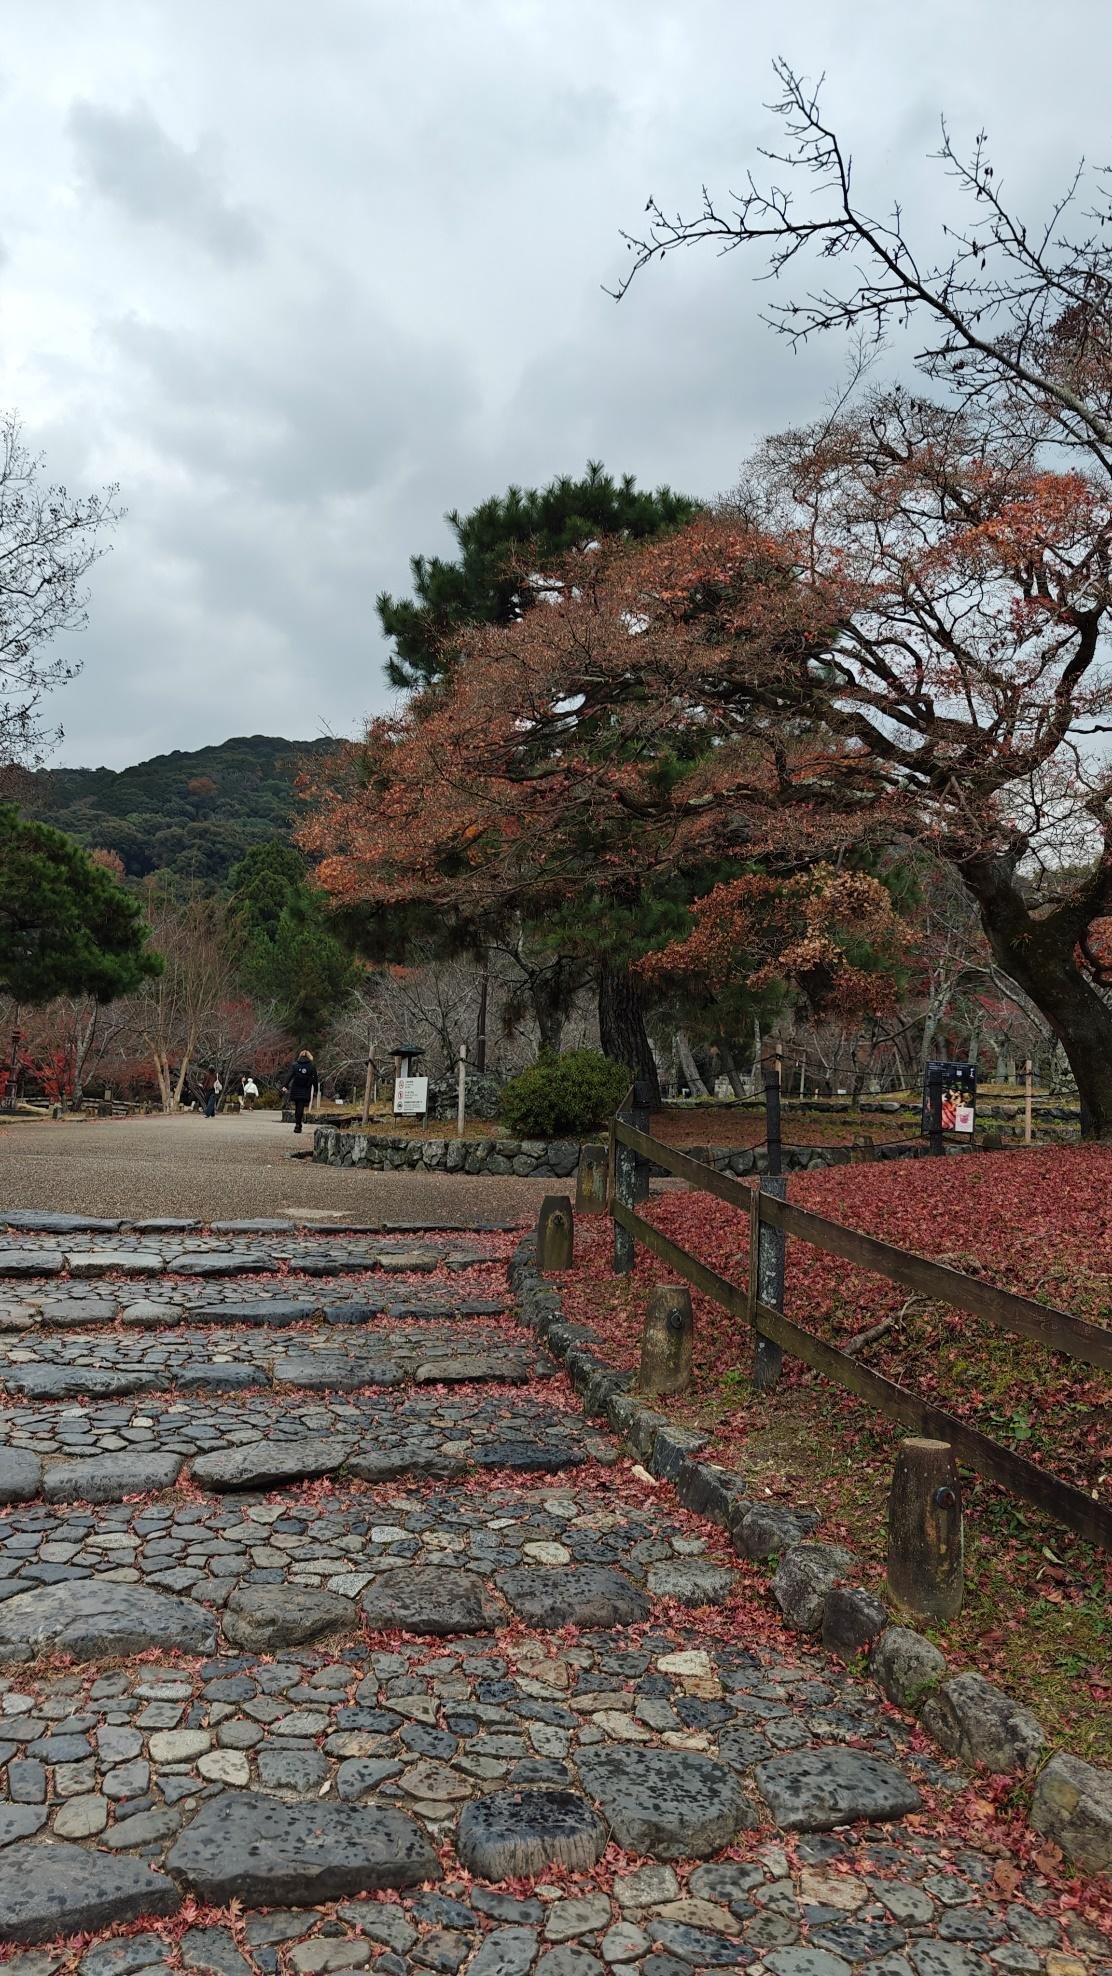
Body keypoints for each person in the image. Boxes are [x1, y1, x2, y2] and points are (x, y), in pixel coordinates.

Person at [282, 1049, 318, 1134]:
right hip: (305, 1088)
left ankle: (297, 1124)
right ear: (309, 1056)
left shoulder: (295, 1065)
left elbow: (289, 1076)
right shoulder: (312, 1066)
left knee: (297, 1106)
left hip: (296, 1088)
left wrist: (285, 1085)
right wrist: (316, 1090)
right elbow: (315, 1079)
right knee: (300, 1107)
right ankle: (298, 1125)